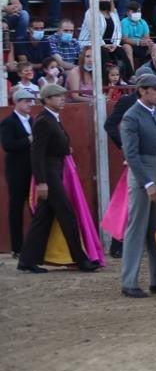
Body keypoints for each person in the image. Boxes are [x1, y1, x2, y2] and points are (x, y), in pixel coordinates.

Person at [18, 84, 102, 273]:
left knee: (44, 217)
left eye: (63, 96)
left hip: (55, 170)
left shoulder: (51, 119)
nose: (62, 98)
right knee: (67, 214)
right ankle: (80, 260)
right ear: (47, 100)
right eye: (57, 96)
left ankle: (26, 260)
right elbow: (36, 153)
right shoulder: (44, 121)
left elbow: (51, 147)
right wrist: (41, 181)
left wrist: (65, 149)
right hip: (50, 173)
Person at [118, 74, 156, 298]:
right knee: (136, 228)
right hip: (142, 174)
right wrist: (147, 182)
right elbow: (130, 154)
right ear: (142, 90)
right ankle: (129, 282)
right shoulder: (131, 117)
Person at [2, 88, 37, 258]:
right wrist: (28, 140)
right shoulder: (8, 122)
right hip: (16, 170)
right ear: (16, 102)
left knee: (35, 206)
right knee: (16, 206)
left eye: (31, 101)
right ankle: (17, 247)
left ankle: (35, 244)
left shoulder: (32, 120)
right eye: (26, 101)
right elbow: (8, 145)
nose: (30, 104)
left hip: (32, 168)